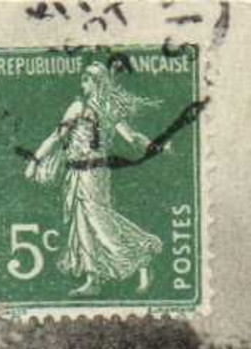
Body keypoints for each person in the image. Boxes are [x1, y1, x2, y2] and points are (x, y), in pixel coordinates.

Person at [25, 62, 164, 296]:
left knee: (98, 221)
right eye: (83, 80)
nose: (83, 84)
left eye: (86, 80)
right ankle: (94, 279)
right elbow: (131, 137)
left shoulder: (82, 107)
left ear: (96, 82)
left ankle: (142, 256)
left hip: (88, 172)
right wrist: (154, 145)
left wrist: (34, 160)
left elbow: (56, 137)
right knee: (85, 222)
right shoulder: (106, 109)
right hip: (89, 171)